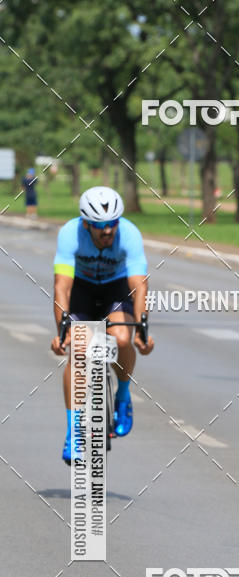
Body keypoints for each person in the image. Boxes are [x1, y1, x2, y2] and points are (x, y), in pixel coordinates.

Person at [50, 186, 154, 464]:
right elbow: (62, 286)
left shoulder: (129, 234)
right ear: (86, 224)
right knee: (79, 352)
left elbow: (139, 286)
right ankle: (73, 432)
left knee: (122, 338)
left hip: (115, 289)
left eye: (112, 223)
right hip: (82, 290)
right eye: (99, 226)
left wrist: (143, 330)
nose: (107, 230)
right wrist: (62, 331)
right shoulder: (70, 233)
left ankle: (123, 395)